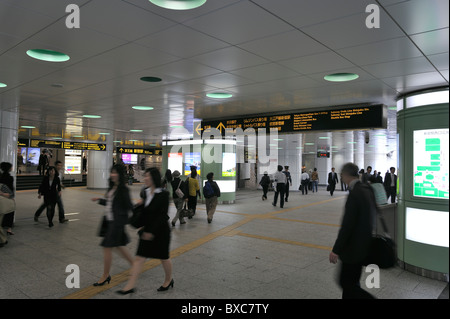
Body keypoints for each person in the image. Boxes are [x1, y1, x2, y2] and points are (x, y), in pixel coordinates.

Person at [118, 168, 173, 295]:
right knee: (139, 258)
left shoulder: (164, 194)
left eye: (147, 176)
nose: (145, 178)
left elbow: (162, 216)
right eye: (145, 176)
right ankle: (130, 285)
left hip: (161, 232)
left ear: (154, 178)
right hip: (146, 230)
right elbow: (144, 212)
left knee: (164, 258)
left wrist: (151, 232)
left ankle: (168, 280)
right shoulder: (145, 192)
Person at [329, 163, 376, 299]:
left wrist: (336, 249)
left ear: (346, 175)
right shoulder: (367, 188)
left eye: (342, 175)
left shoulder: (354, 194)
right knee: (352, 283)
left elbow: (347, 225)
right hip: (364, 245)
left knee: (346, 283)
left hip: (353, 249)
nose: (342, 178)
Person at [91, 164, 134, 287]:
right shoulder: (112, 187)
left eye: (115, 172)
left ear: (120, 174)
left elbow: (129, 206)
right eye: (111, 172)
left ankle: (105, 275)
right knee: (119, 246)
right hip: (109, 221)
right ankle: (134, 265)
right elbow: (111, 203)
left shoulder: (123, 189)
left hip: (117, 223)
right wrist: (99, 200)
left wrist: (139, 223)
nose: (112, 175)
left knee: (107, 247)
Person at [0, 162, 15, 236]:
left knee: (2, 212)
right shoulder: (10, 178)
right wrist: (11, 197)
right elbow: (10, 189)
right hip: (8, 196)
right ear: (9, 168)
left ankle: (2, 227)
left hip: (1, 197)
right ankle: (9, 229)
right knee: (10, 212)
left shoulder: (0, 177)